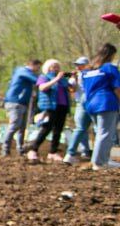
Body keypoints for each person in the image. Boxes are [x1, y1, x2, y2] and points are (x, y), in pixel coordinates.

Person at [78, 42, 120, 171]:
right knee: (105, 133)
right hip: (106, 103)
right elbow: (117, 88)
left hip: (91, 104)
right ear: (110, 55)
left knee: (101, 133)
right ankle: (99, 163)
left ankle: (104, 160)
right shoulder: (109, 68)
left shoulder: (88, 70)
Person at [26, 60, 71, 163]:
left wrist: (73, 79)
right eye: (53, 66)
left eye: (57, 66)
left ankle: (53, 152)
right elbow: (42, 88)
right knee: (46, 128)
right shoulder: (44, 77)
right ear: (48, 68)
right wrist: (56, 79)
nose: (56, 68)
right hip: (50, 106)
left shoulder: (63, 80)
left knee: (58, 130)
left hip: (62, 106)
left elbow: (71, 89)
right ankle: (33, 149)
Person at [0, 57, 42, 156]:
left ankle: (20, 149)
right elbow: (36, 80)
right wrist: (47, 79)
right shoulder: (23, 71)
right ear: (32, 65)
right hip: (15, 101)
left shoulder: (24, 72)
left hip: (23, 102)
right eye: (38, 67)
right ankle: (5, 148)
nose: (38, 70)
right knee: (14, 125)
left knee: (22, 128)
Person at [63, 57, 94, 164]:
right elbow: (72, 89)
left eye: (80, 65)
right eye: (76, 64)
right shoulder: (74, 77)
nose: (77, 67)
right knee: (81, 128)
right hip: (81, 103)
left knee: (94, 128)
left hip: (93, 102)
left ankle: (92, 153)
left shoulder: (92, 73)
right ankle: (72, 153)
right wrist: (74, 79)